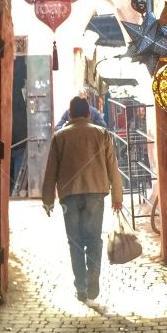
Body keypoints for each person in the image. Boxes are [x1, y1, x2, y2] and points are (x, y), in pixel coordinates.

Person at [42, 96, 123, 302]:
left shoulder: (59, 137)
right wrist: (117, 196)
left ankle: (81, 286)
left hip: (69, 196)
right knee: (94, 238)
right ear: (88, 114)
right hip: (96, 193)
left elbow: (51, 170)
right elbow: (112, 167)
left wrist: (48, 199)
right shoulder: (101, 134)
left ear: (70, 114)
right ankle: (93, 272)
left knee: (75, 242)